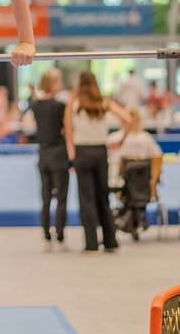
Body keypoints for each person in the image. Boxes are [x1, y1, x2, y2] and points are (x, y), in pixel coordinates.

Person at [63, 70, 132, 254]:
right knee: (103, 197)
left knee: (86, 200)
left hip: (81, 152)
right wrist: (121, 140)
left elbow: (69, 134)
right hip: (101, 152)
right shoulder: (104, 102)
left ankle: (91, 245)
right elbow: (128, 119)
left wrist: (72, 158)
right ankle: (111, 242)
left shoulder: (73, 104)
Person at [29, 68, 69, 250]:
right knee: (61, 198)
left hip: (43, 156)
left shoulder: (36, 106)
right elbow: (66, 129)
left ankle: (46, 235)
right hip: (59, 155)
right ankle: (59, 235)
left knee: (45, 198)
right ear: (53, 84)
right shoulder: (60, 106)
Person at [107, 107, 162, 190]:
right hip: (141, 184)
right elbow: (158, 157)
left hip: (115, 181)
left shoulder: (112, 138)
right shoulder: (145, 138)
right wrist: (153, 182)